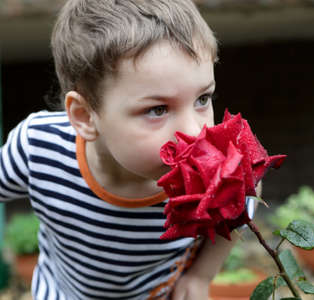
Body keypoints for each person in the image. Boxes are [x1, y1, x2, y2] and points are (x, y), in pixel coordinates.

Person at [0, 0, 245, 299]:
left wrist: (201, 276)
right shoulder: (38, 147)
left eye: (202, 99)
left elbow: (242, 205)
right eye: (158, 109)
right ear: (85, 117)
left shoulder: (210, 170)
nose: (195, 132)